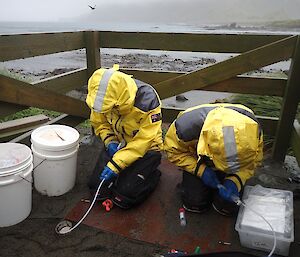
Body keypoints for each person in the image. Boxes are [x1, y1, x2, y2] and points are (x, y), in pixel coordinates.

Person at [164, 103, 263, 216]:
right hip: (197, 159)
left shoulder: (253, 129)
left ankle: (224, 180)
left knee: (229, 207)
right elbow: (173, 152)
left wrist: (236, 179)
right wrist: (200, 170)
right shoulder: (185, 128)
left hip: (235, 163)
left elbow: (254, 160)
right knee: (195, 203)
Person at [85, 65, 163, 209]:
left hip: (147, 149)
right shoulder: (100, 97)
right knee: (96, 189)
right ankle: (126, 171)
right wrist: (110, 141)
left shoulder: (147, 101)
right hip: (119, 143)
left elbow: (144, 141)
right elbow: (99, 122)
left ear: (120, 99)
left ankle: (152, 174)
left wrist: (116, 164)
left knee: (123, 197)